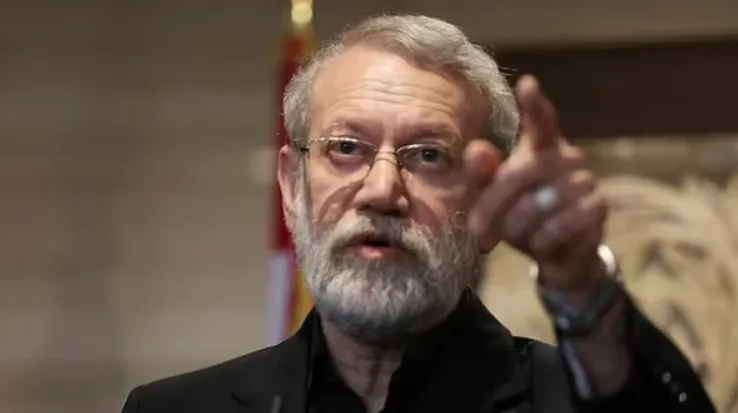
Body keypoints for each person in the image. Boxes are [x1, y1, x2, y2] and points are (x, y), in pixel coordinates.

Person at [121, 14, 716, 413]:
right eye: (346, 148)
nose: (382, 190)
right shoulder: (174, 409)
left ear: (488, 198)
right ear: (291, 185)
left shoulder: (572, 398)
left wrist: (585, 292)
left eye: (429, 155)